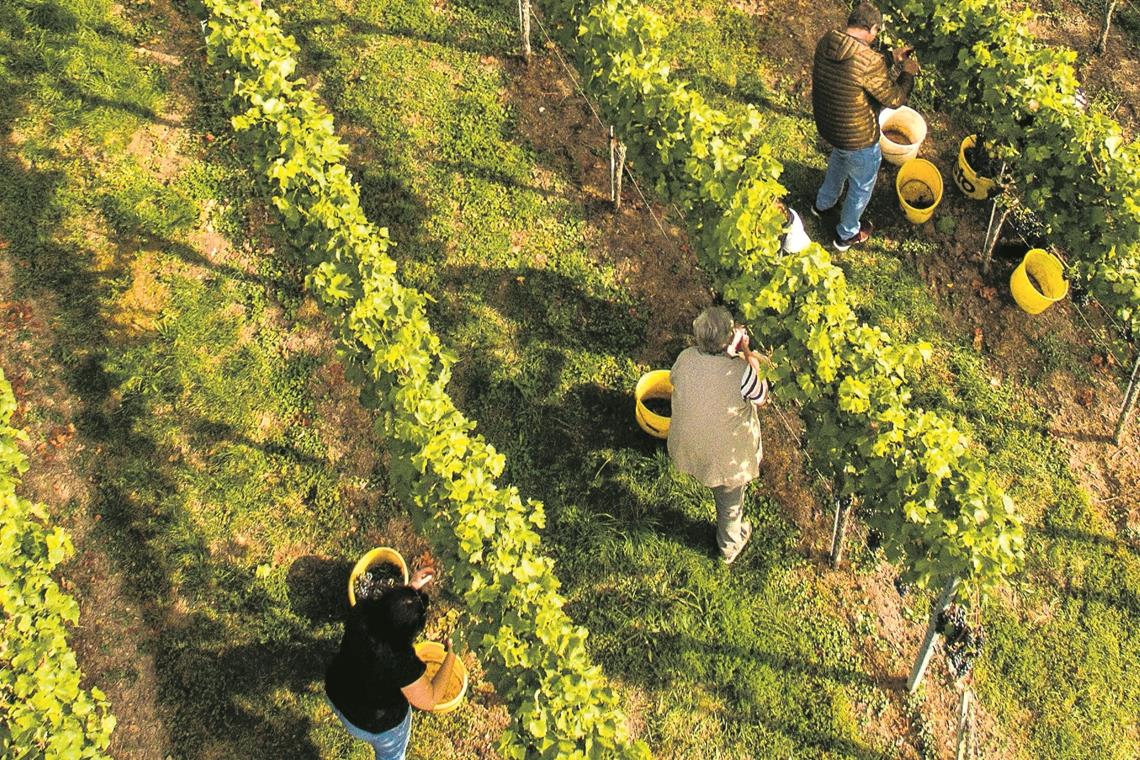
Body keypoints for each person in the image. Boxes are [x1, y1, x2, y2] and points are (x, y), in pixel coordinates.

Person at [810, 2, 920, 251]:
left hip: (832, 125)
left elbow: (859, 65)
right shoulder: (869, 61)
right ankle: (846, 234)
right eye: (876, 33)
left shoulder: (829, 40)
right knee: (861, 184)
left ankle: (823, 205)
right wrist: (908, 73)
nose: (875, 38)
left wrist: (891, 58)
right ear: (872, 28)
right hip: (857, 136)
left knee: (839, 158)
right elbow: (894, 99)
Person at [668, 306, 769, 564]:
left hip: (687, 445)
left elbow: (680, 378)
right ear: (727, 339)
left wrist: (728, 348)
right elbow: (761, 397)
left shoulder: (686, 357)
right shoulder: (741, 373)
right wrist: (747, 353)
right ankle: (729, 547)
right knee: (730, 504)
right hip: (724, 460)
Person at [325, 566, 456, 760]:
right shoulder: (400, 661)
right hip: (374, 725)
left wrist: (410, 591)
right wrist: (452, 653)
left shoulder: (362, 611)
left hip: (338, 694)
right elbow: (429, 699)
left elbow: (389, 612)